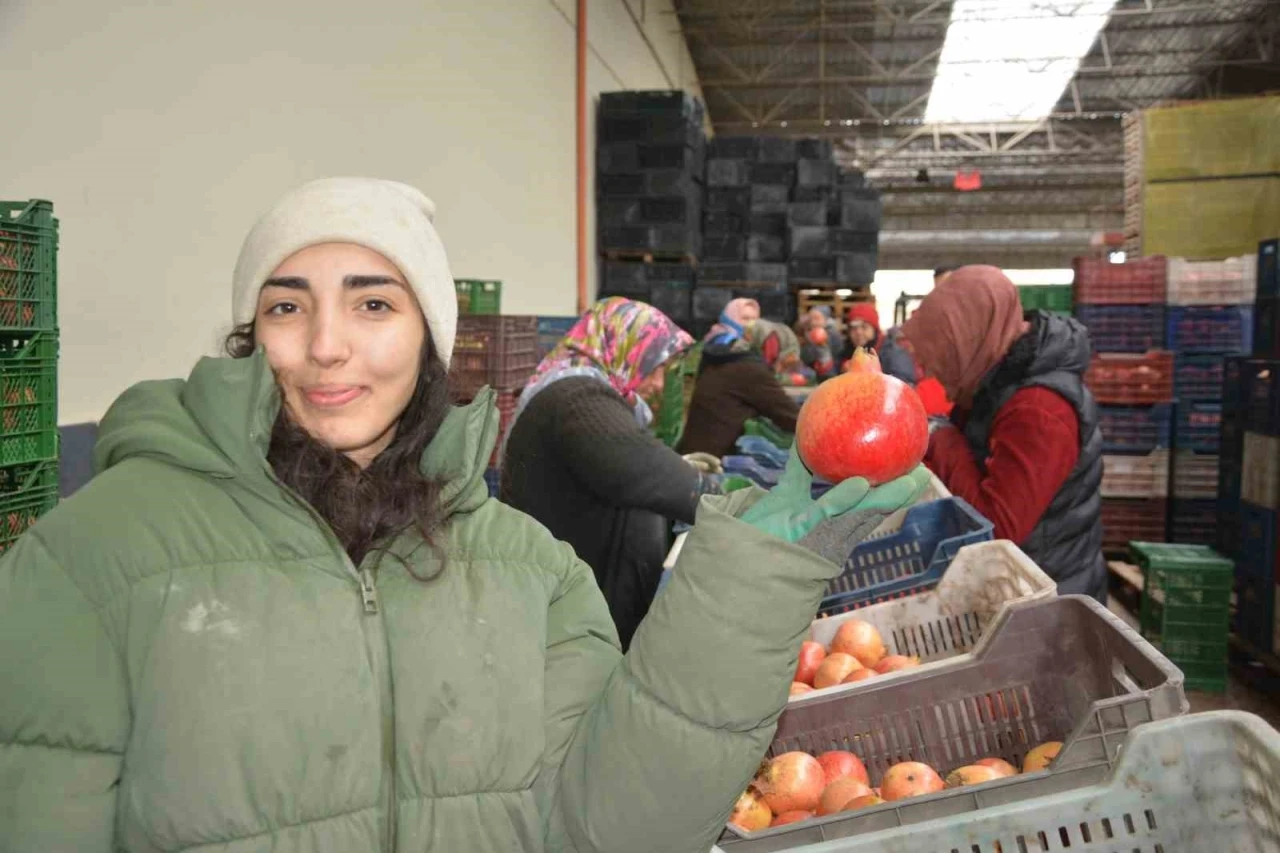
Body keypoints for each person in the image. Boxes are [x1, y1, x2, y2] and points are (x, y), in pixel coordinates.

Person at [0, 177, 930, 853]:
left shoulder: (533, 573)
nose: (326, 345)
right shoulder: (92, 560)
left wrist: (745, 590)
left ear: (430, 341)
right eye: (287, 306)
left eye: (374, 303)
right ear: (251, 337)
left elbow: (607, 828)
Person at [501, 297, 713, 650]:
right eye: (654, 366)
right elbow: (648, 473)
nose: (659, 383)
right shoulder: (577, 397)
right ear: (624, 348)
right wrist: (727, 501)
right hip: (570, 620)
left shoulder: (580, 388)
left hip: (579, 601)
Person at [903, 265, 1105, 601]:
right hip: (1015, 583)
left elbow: (997, 527)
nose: (933, 371)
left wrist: (942, 436)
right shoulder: (993, 380)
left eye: (941, 356)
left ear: (968, 340)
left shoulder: (1039, 410)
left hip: (1043, 598)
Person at [678, 319, 803, 459]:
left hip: (695, 453)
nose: (780, 370)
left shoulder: (730, 359)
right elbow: (793, 418)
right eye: (783, 363)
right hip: (709, 461)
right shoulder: (750, 371)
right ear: (773, 347)